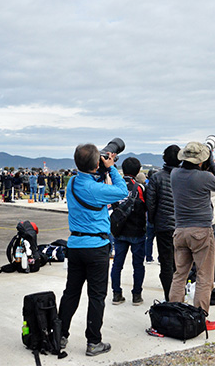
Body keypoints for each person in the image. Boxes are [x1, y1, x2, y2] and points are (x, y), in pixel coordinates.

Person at [58, 144, 128, 357]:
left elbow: (89, 180)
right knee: (96, 296)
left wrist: (100, 168)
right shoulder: (97, 190)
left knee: (71, 293)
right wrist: (112, 168)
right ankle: (93, 342)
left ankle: (60, 336)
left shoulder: (71, 183)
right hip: (96, 248)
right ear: (97, 163)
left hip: (75, 246)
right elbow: (122, 191)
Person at [169, 141, 215, 332]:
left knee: (180, 275)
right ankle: (200, 318)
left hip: (180, 231)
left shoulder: (175, 174)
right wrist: (211, 163)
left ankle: (173, 315)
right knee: (205, 276)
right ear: (202, 160)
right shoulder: (202, 177)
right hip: (201, 231)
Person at [110, 157, 147, 306]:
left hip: (119, 231)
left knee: (117, 264)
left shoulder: (116, 187)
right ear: (138, 171)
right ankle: (136, 295)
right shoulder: (140, 188)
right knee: (138, 265)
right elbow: (146, 207)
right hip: (137, 232)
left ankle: (116, 294)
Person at [146, 145, 180, 301]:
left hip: (164, 225)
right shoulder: (184, 176)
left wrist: (153, 220)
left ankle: (169, 297)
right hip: (182, 225)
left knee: (166, 263)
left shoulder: (156, 177)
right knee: (181, 263)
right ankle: (180, 295)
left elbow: (150, 203)